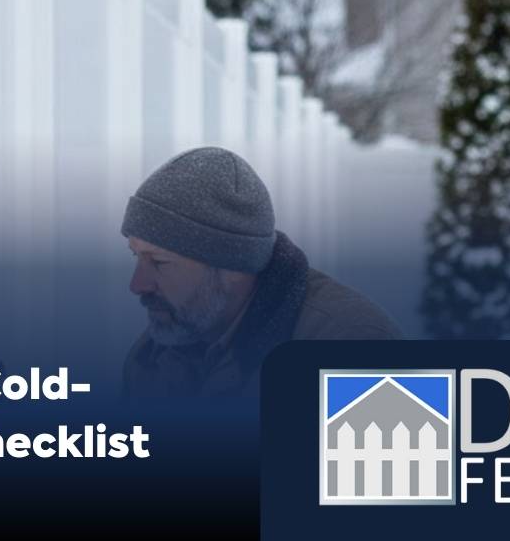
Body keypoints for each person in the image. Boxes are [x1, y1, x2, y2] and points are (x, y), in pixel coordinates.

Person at [121, 146, 401, 399]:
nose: (137, 284)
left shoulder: (356, 347)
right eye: (137, 255)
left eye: (159, 262)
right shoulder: (152, 358)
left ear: (232, 266)